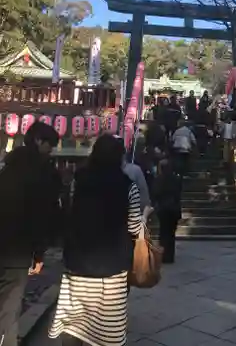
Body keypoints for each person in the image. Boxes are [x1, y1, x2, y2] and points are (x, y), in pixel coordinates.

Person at [49, 134, 142, 346]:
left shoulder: (78, 180)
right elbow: (134, 227)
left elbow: (69, 211)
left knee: (75, 321)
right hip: (113, 265)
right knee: (106, 325)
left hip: (78, 260)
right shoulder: (128, 186)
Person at [0, 122, 61, 346]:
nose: (51, 150)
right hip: (18, 248)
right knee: (10, 303)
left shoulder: (7, 166)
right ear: (38, 141)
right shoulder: (44, 174)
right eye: (50, 145)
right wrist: (38, 253)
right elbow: (42, 216)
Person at [153, 159, 182, 264]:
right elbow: (178, 193)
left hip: (163, 208)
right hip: (173, 208)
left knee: (163, 232)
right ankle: (170, 255)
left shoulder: (158, 179)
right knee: (171, 233)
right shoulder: (176, 179)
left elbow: (156, 193)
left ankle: (163, 255)